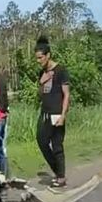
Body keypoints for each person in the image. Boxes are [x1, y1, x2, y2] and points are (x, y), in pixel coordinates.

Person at [35, 36, 70, 188]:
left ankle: (61, 177)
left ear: (48, 55)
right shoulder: (42, 72)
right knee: (41, 141)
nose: (39, 61)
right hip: (45, 113)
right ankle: (58, 171)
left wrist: (63, 115)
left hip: (57, 112)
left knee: (57, 145)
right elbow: (40, 94)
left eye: (41, 57)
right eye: (36, 58)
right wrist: (42, 82)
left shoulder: (61, 70)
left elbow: (67, 94)